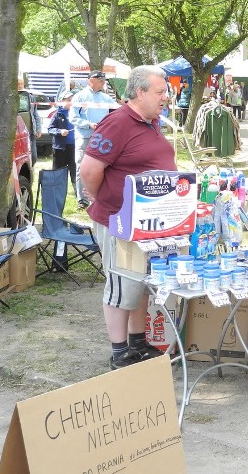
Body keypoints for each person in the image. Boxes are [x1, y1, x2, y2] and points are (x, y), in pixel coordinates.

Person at [79, 65, 176, 370]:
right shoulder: (118, 122)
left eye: (166, 92)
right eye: (160, 92)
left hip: (148, 221)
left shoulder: (150, 121)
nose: (166, 98)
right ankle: (119, 352)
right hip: (120, 220)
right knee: (123, 284)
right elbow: (89, 171)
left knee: (141, 283)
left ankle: (138, 343)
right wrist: (104, 199)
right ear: (139, 92)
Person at [70, 70, 115, 208]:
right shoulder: (79, 97)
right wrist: (88, 124)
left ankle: (99, 197)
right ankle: (82, 199)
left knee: (102, 167)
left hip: (102, 138)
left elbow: (115, 115)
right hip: (84, 136)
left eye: (103, 80)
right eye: (100, 80)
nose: (103, 82)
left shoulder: (106, 98)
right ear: (91, 80)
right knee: (81, 167)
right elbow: (73, 118)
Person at [47, 90, 76, 186]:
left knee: (75, 172)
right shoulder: (57, 113)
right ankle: (58, 192)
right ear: (62, 101)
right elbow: (50, 129)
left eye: (72, 100)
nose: (70, 102)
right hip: (60, 148)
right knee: (58, 173)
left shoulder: (78, 113)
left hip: (75, 147)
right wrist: (60, 132)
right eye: (68, 100)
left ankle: (79, 196)